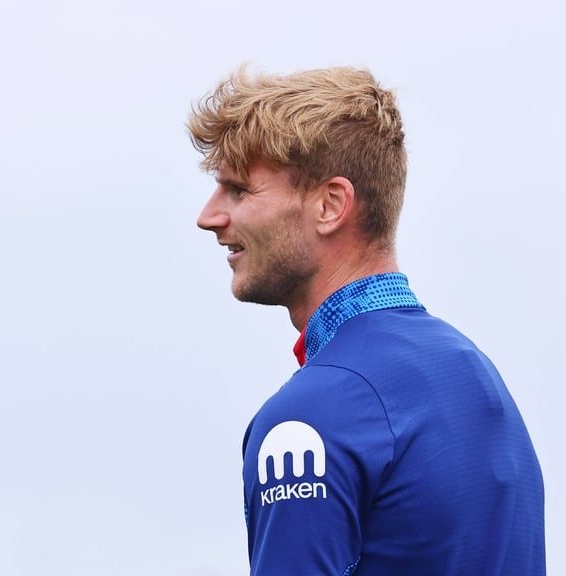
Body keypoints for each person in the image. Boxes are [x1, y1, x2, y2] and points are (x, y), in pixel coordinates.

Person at [188, 66, 545, 575]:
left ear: (331, 205)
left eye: (239, 190)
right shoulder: (478, 378)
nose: (209, 216)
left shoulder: (308, 416)